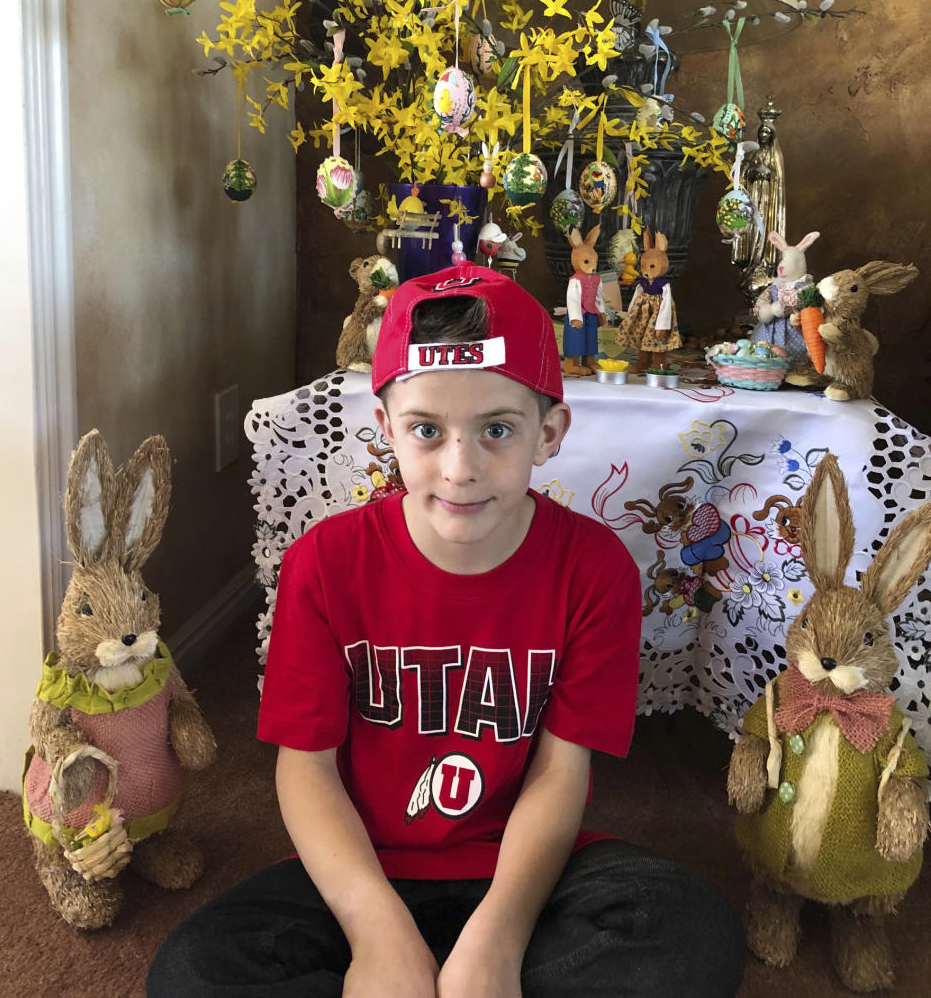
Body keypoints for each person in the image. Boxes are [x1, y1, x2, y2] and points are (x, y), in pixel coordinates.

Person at [147, 263, 745, 997]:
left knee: (693, 934)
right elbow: (307, 769)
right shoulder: (324, 564)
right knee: (190, 975)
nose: (460, 468)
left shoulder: (596, 571)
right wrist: (378, 934)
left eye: (497, 429)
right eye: (426, 430)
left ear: (549, 432)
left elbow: (562, 771)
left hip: (524, 870)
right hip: (363, 866)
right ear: (385, 430)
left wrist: (499, 939)